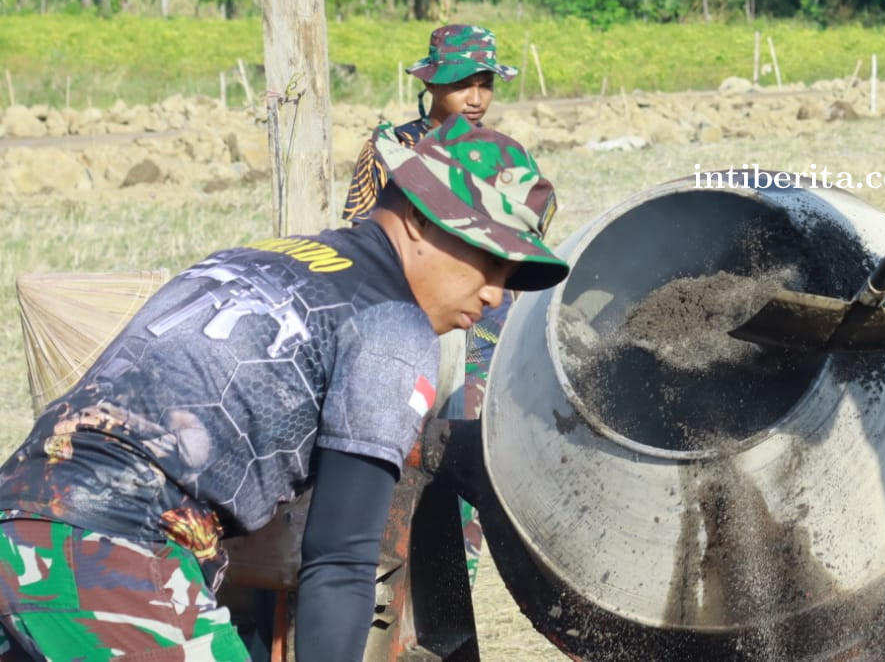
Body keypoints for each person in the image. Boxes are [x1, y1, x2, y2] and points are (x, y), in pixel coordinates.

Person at [0, 115, 566, 662]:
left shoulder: (260, 259)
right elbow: (340, 561)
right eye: (488, 258)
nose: (496, 294)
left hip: (18, 521)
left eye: (509, 275)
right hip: (111, 549)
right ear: (419, 219)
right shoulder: (392, 323)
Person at [341, 23, 519, 224]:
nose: (476, 100)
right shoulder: (389, 150)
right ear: (431, 83)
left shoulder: (500, 154)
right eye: (461, 86)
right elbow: (363, 235)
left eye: (486, 86)